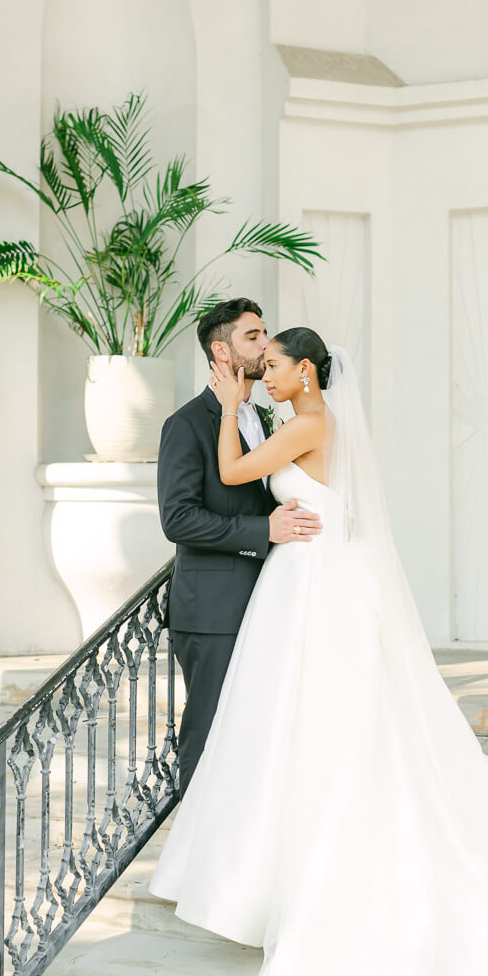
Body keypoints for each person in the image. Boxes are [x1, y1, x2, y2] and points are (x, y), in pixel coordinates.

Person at [151, 325, 488, 976]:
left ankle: (308, 872)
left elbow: (237, 474)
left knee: (315, 724)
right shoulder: (313, 418)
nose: (266, 375)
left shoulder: (306, 423)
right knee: (297, 725)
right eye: (258, 362)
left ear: (306, 371)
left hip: (313, 584)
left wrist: (231, 408)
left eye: (274, 366)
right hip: (309, 577)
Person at [156, 299, 322, 795]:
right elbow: (178, 519)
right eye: (253, 336)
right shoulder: (185, 425)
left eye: (266, 334)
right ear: (221, 351)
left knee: (254, 739)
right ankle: (193, 858)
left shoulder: (265, 418)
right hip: (212, 612)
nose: (266, 344)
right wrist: (262, 532)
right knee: (208, 738)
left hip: (267, 602)